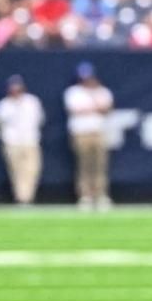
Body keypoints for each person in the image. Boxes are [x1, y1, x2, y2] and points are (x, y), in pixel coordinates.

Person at [63, 62, 114, 210]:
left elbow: (107, 108)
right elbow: (76, 110)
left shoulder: (102, 91)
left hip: (98, 131)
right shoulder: (73, 92)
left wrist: (94, 101)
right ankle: (85, 196)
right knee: (84, 165)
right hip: (81, 133)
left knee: (100, 165)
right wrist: (95, 108)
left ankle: (101, 195)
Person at [0, 75, 45, 205]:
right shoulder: (4, 105)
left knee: (32, 169)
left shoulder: (32, 102)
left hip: (30, 140)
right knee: (16, 171)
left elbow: (40, 119)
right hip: (12, 142)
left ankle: (27, 196)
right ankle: (22, 198)